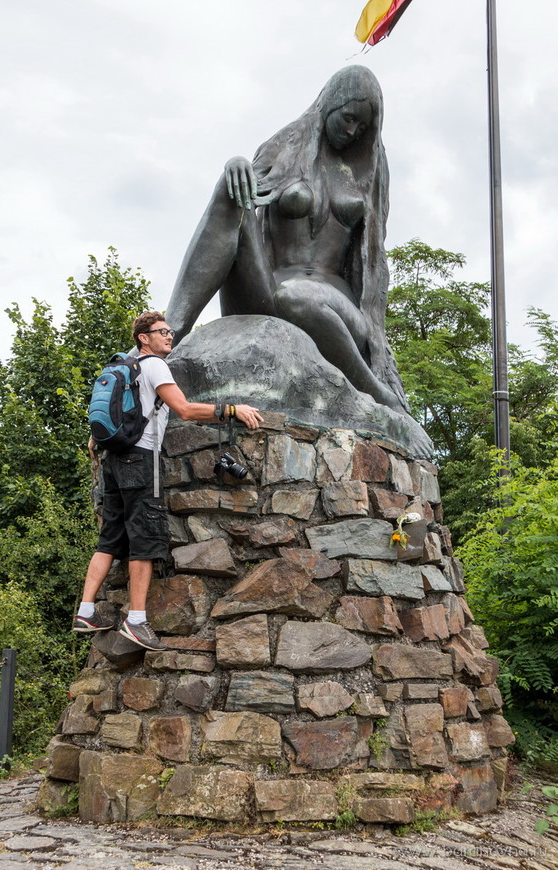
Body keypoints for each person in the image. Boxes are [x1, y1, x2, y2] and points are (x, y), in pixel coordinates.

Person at [165, 65, 409, 416]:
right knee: (230, 185)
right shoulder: (284, 147)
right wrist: (237, 165)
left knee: (298, 296)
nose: (353, 131)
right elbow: (246, 199)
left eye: (363, 126)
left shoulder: (369, 168)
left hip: (335, 307)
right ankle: (171, 332)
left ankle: (376, 395)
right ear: (331, 104)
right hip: (268, 292)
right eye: (349, 118)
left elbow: (372, 260)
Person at [73, 310, 263, 651]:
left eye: (170, 331)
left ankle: (86, 611)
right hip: (141, 458)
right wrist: (231, 410)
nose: (169, 336)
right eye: (162, 332)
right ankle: (137, 621)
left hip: (114, 460)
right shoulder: (154, 365)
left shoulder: (123, 367)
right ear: (144, 338)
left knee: (110, 538)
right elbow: (185, 409)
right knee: (144, 539)